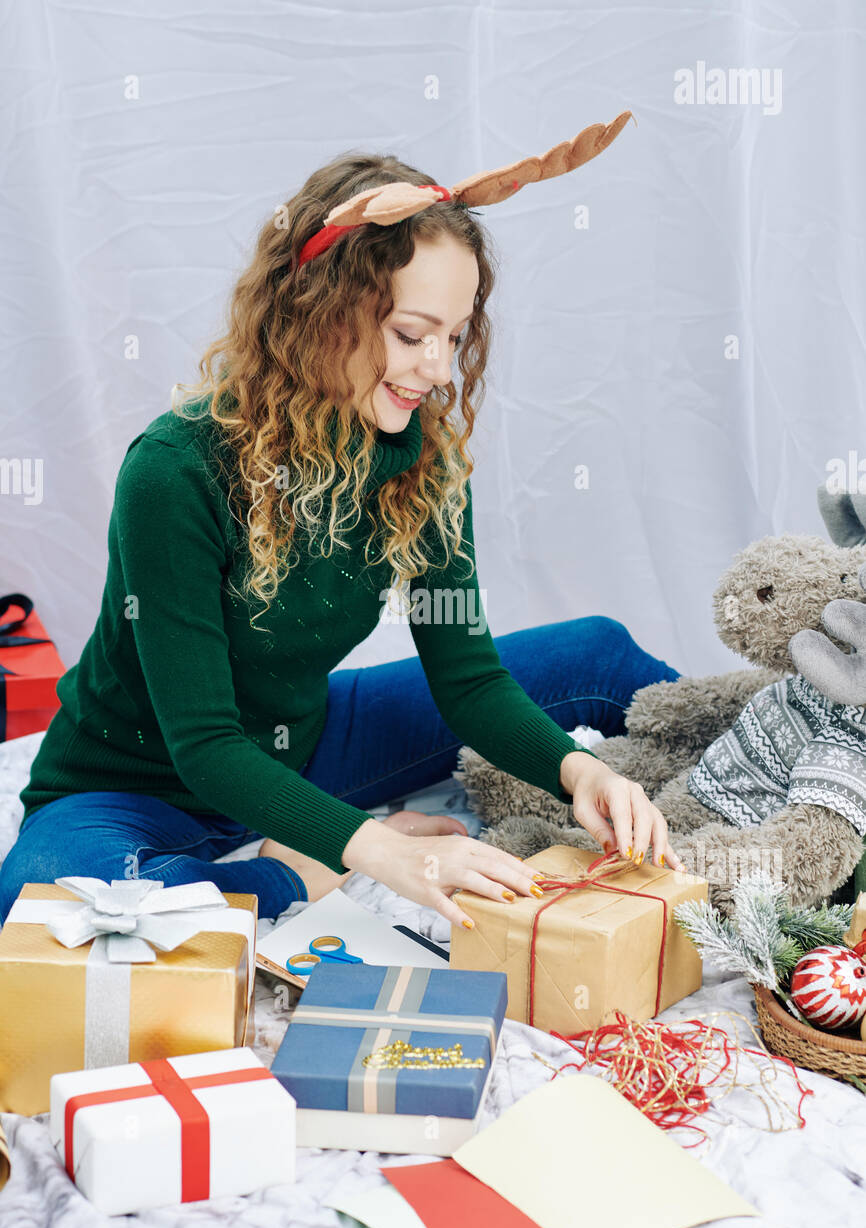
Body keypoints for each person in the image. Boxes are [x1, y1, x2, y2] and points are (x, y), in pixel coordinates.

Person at [0, 134, 684, 929]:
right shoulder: (173, 470)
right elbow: (208, 746)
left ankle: (798, 752)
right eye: (410, 332)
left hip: (304, 746)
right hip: (135, 790)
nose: (437, 369)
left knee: (593, 651)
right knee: (42, 903)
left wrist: (579, 774)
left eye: (454, 336)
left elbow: (467, 682)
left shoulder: (422, 456)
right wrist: (380, 852)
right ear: (323, 313)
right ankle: (294, 871)